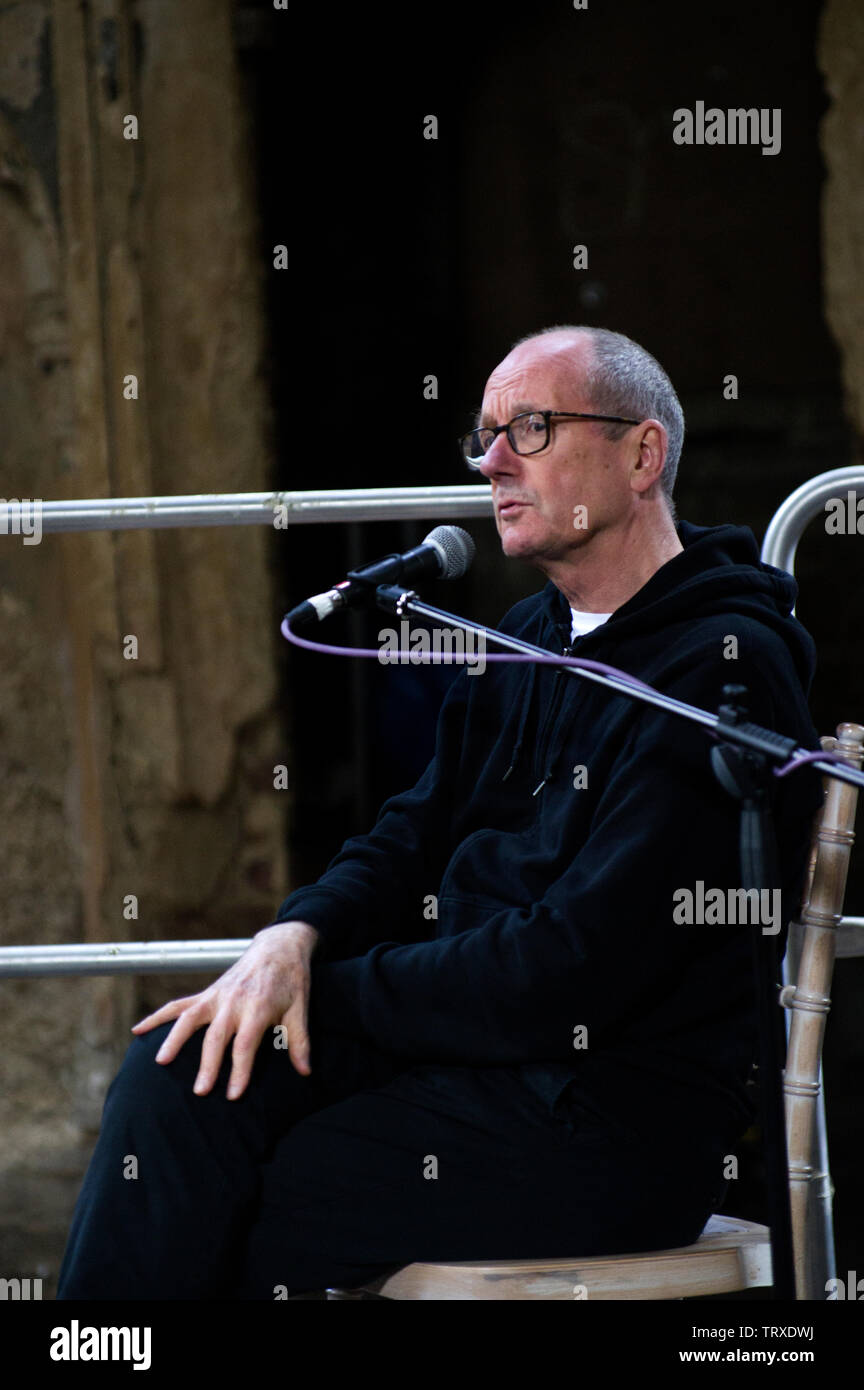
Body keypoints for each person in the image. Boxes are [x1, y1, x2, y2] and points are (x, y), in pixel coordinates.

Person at [57, 325, 823, 1300]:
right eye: (485, 434)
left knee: (276, 1191)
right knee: (184, 1069)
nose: (492, 460)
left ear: (642, 455)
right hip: (467, 1060)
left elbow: (570, 970)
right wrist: (295, 936)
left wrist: (325, 995)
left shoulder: (723, 667)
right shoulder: (525, 636)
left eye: (532, 428)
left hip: (605, 1119)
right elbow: (412, 832)